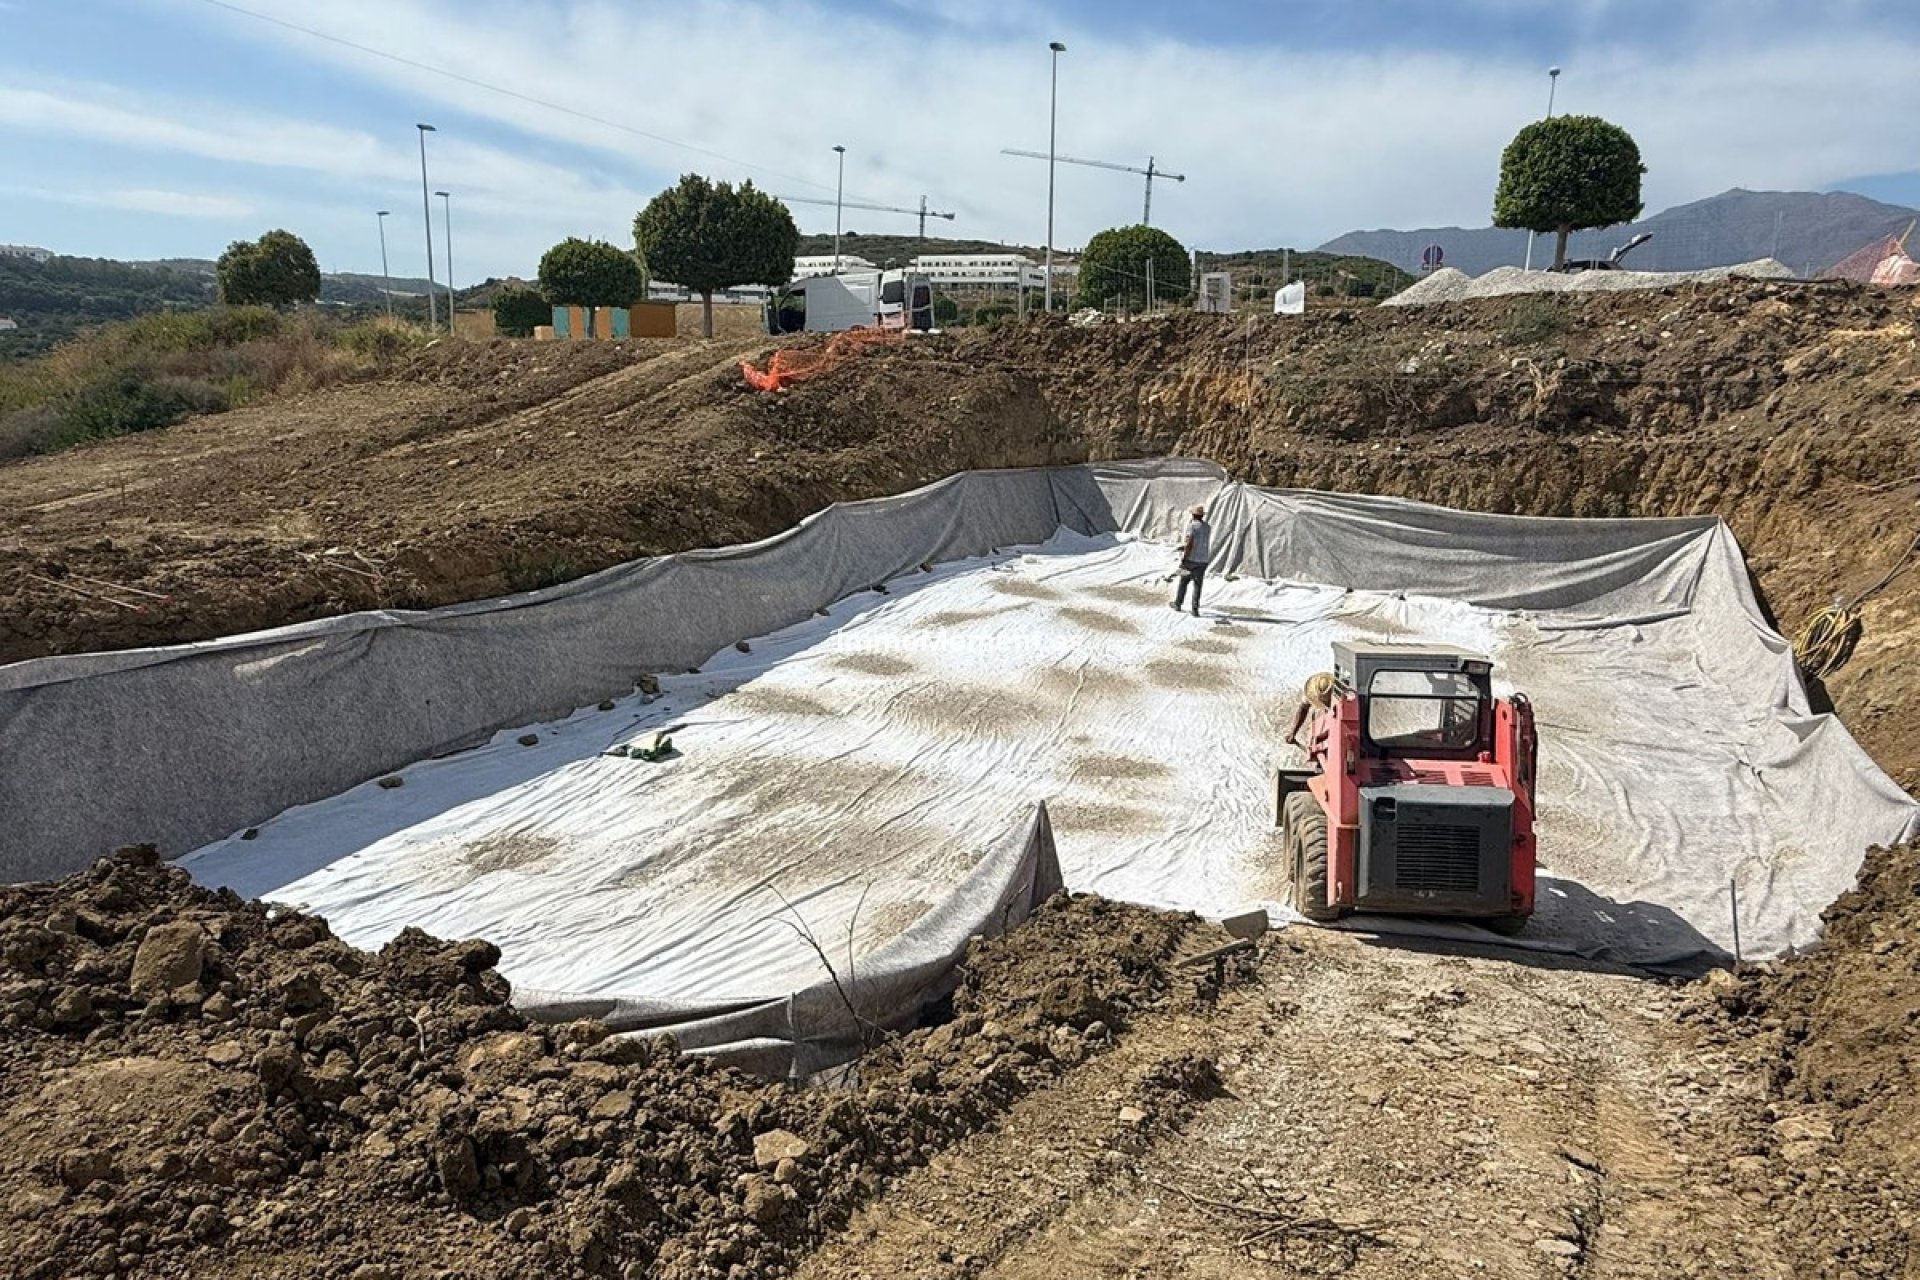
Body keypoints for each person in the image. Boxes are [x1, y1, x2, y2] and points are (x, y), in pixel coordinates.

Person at [1170, 504, 1212, 616]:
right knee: (1198, 585)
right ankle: (1195, 609)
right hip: (1203, 559)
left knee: (1184, 581)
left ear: (1193, 515)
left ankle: (1178, 603)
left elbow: (1189, 543)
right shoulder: (1208, 527)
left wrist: (1184, 557)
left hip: (1192, 559)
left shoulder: (1192, 526)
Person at [1284, 672, 1339, 748]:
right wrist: (1293, 732)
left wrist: (1322, 737)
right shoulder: (1317, 690)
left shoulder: (1343, 692)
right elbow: (1303, 707)